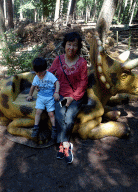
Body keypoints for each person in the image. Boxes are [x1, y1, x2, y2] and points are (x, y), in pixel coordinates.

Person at [48, 32, 88, 164]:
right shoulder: (58, 60)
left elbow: (83, 83)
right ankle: (66, 145)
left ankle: (63, 145)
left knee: (69, 118)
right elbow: (49, 74)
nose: (71, 48)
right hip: (60, 95)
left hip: (76, 96)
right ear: (64, 45)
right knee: (60, 116)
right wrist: (39, 83)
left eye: (74, 45)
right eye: (69, 44)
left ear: (78, 47)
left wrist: (72, 97)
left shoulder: (82, 63)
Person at [27, 58, 60, 139]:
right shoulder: (36, 77)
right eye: (37, 72)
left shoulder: (50, 75)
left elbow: (57, 82)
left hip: (50, 98)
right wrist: (30, 95)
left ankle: (54, 129)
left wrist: (56, 92)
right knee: (38, 111)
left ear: (45, 69)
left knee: (51, 114)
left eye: (41, 72)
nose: (39, 74)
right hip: (41, 98)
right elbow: (33, 86)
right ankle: (36, 128)